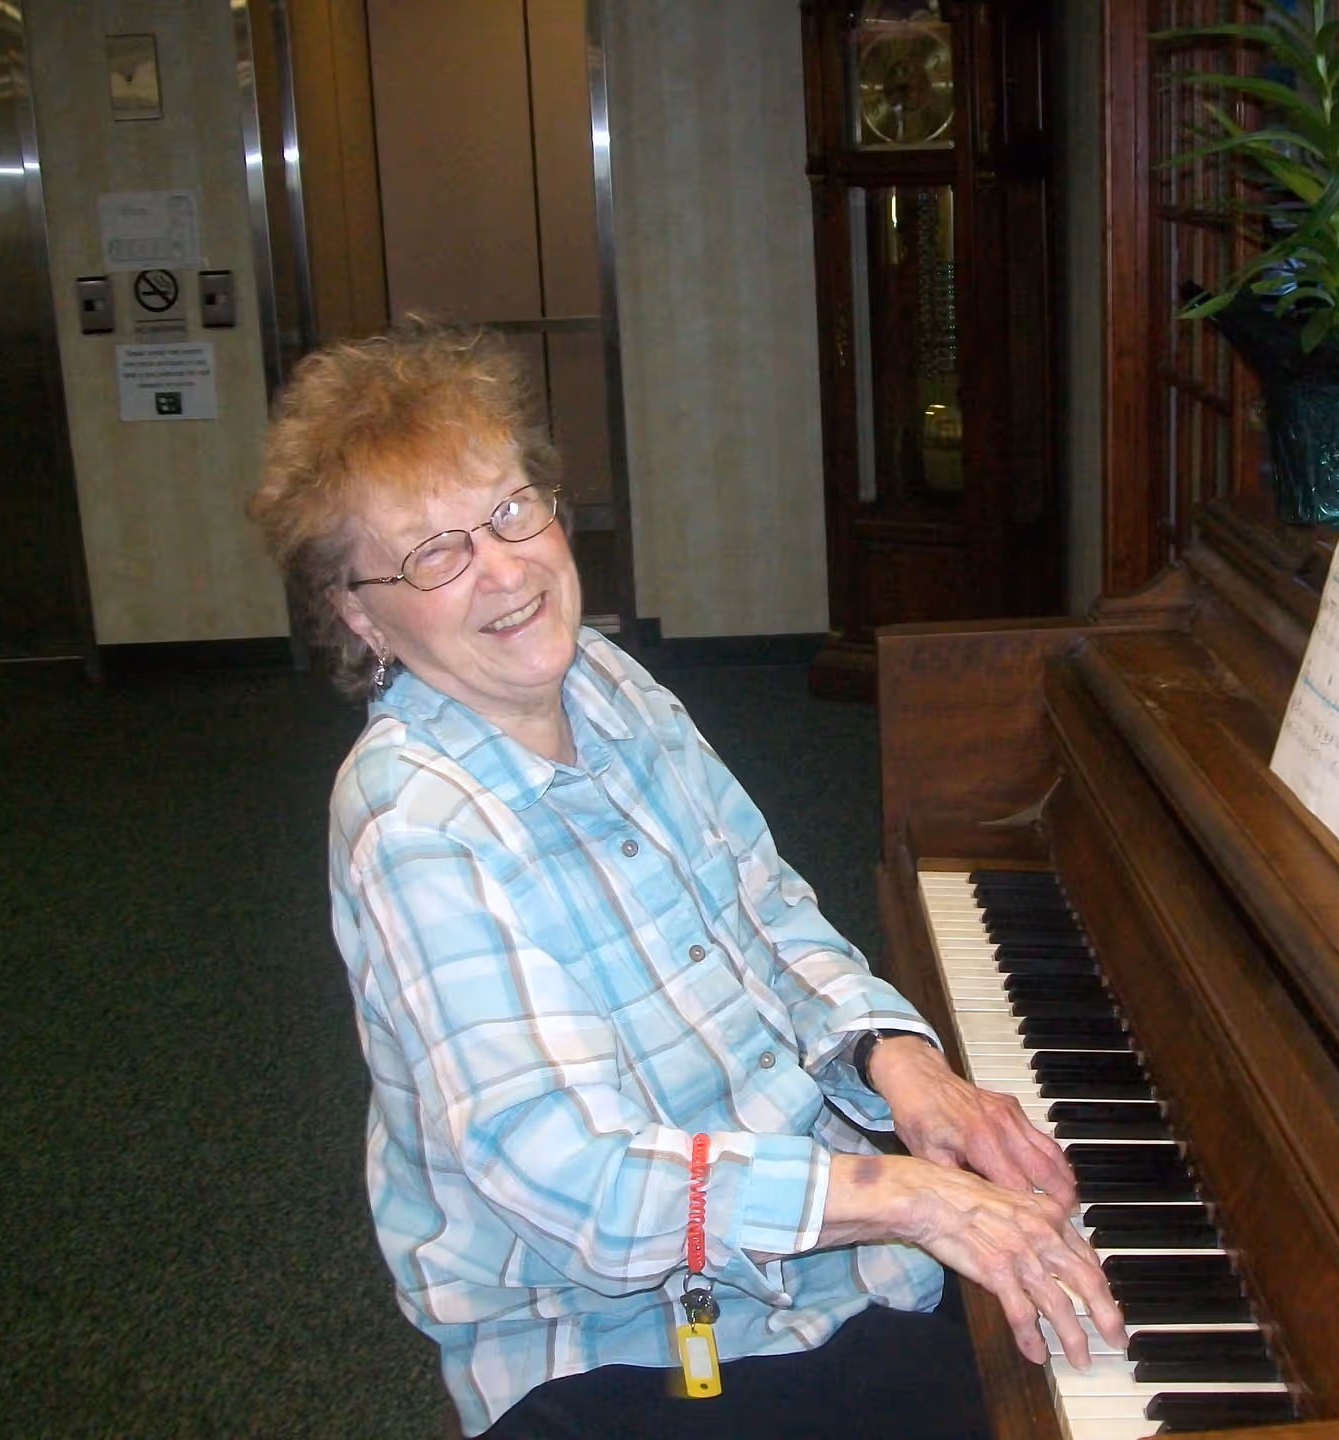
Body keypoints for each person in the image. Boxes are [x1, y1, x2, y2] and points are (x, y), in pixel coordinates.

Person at [250, 323, 1123, 1439]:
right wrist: (907, 1195)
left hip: (812, 1249)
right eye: (435, 553)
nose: (507, 569)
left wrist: (897, 1067)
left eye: (514, 510)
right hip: (619, 1344)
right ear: (362, 616)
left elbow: (765, 911)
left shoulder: (604, 679)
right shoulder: (414, 824)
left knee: (1087, 1297)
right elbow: (582, 1184)